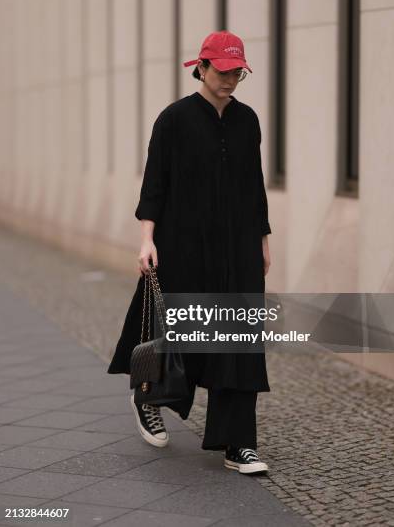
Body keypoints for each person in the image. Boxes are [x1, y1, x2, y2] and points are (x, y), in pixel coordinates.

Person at [107, 30, 272, 475]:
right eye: (223, 70)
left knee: (238, 340)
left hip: (237, 245)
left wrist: (262, 240)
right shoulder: (174, 120)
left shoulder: (248, 120)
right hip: (183, 241)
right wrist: (147, 238)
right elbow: (155, 183)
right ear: (201, 67)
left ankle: (238, 444)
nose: (231, 79)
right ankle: (149, 398)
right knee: (182, 330)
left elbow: (253, 187)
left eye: (238, 71)